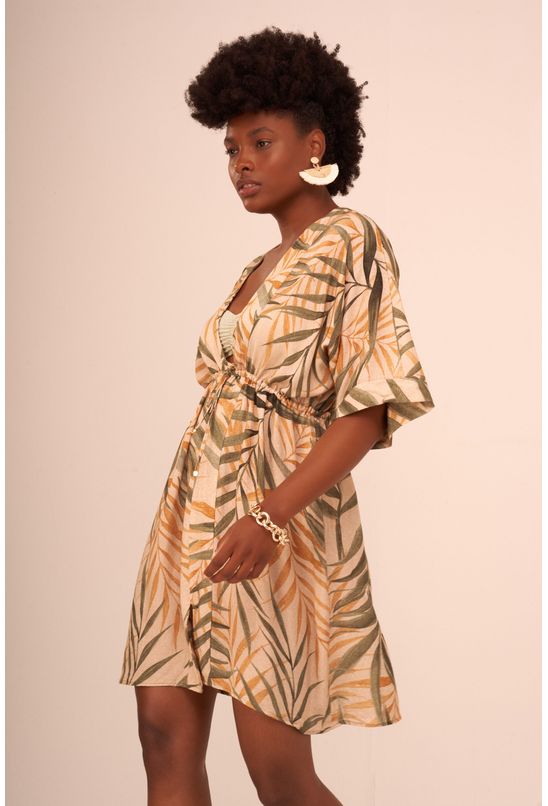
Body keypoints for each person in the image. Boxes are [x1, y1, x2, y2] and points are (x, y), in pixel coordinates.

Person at [118, 26, 435, 806]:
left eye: (260, 142)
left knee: (277, 770)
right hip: (192, 513)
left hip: (275, 515)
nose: (241, 164)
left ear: (315, 144)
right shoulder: (255, 268)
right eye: (231, 149)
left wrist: (269, 515)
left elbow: (369, 408)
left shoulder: (352, 242)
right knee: (162, 733)